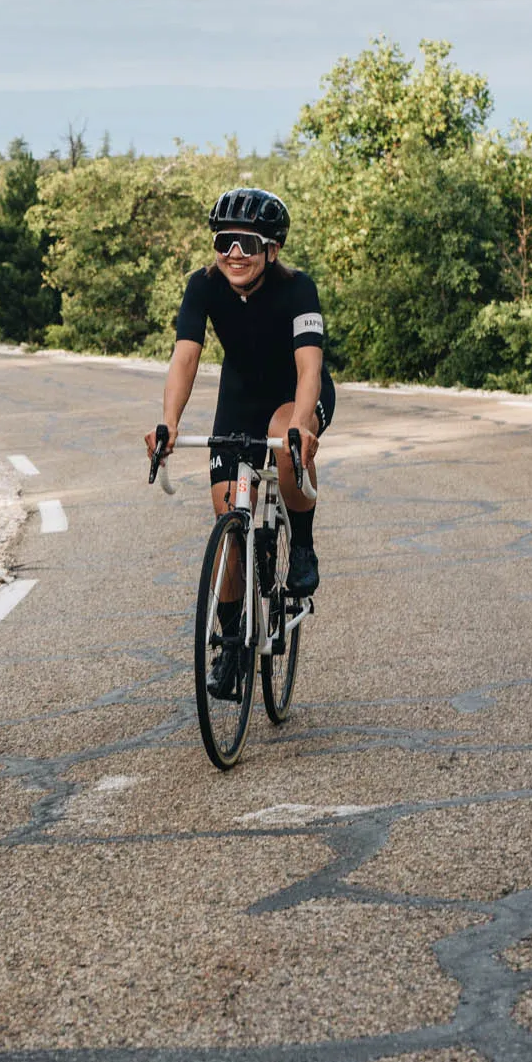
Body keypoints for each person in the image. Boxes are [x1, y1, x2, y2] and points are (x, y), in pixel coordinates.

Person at [146, 188, 332, 697]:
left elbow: (309, 366)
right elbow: (185, 357)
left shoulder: (298, 289)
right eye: (224, 241)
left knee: (281, 439)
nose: (234, 254)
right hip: (240, 396)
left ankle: (303, 544)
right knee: (230, 526)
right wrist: (169, 423)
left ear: (271, 249)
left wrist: (300, 425)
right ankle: (231, 644)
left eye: (247, 243)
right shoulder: (202, 286)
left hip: (294, 391)